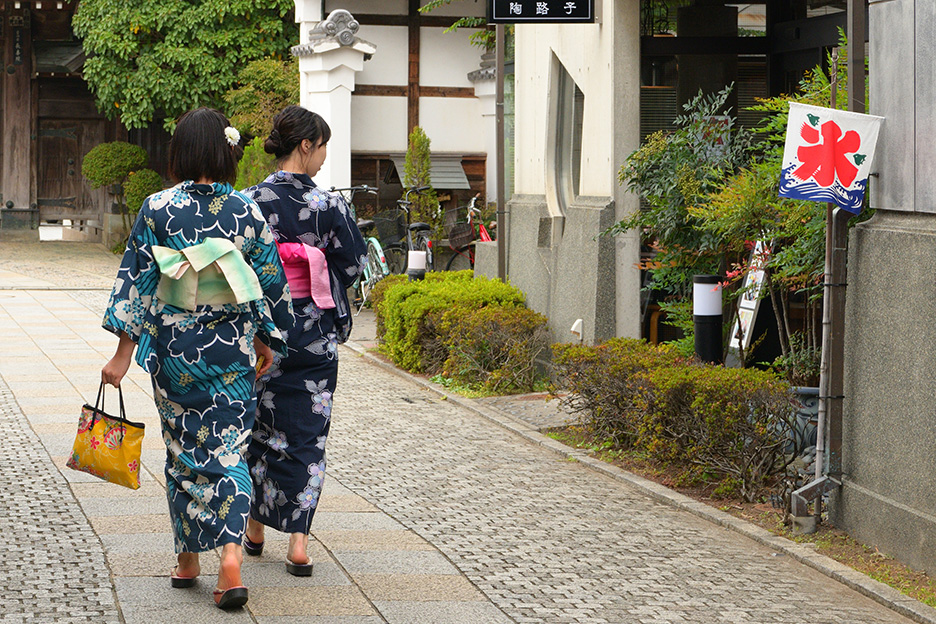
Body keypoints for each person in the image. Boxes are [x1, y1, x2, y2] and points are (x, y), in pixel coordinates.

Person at [100, 108, 293, 610]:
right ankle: (231, 560)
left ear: (181, 151)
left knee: (182, 451)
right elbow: (269, 282)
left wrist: (121, 355)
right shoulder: (246, 211)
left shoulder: (159, 208)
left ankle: (188, 560)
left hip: (176, 352)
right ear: (227, 151)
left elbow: (138, 282)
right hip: (231, 350)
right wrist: (267, 338)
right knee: (229, 451)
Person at [241, 105, 366, 575]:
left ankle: (254, 528)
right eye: (323, 146)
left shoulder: (249, 201)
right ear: (307, 145)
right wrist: (314, 264)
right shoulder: (329, 205)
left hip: (262, 335)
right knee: (307, 438)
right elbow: (352, 265)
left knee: (257, 428)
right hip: (313, 335)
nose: (324, 155)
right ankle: (298, 544)